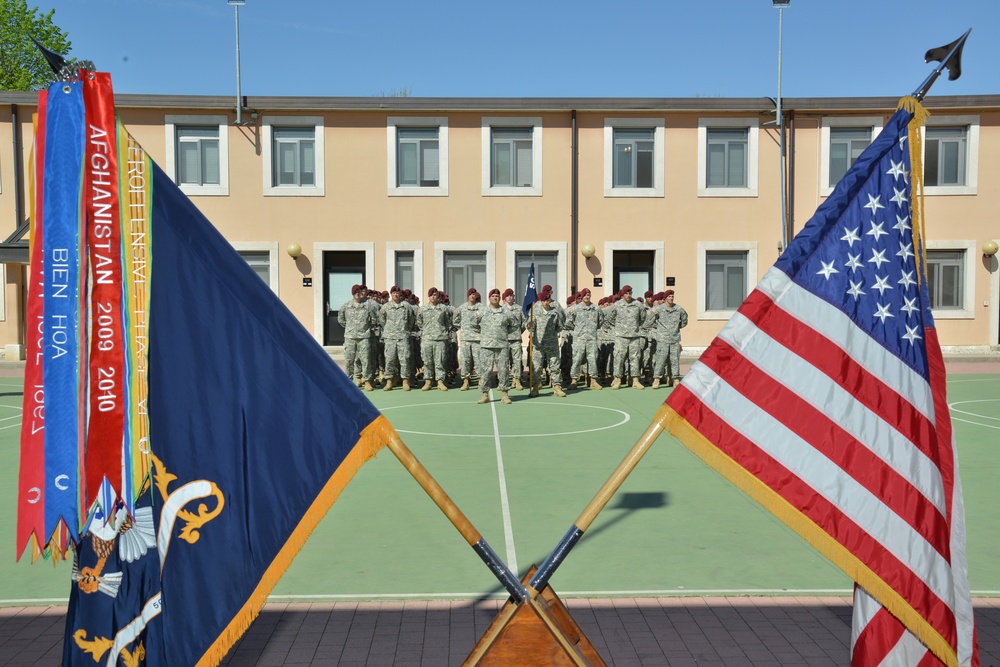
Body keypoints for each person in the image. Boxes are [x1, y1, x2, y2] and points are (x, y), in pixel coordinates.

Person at [476, 288, 516, 404]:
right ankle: (485, 394)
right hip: (486, 346)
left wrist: (503, 334)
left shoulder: (506, 312)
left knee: (503, 370)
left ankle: (505, 394)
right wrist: (485, 335)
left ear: (500, 298)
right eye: (493, 296)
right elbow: (474, 325)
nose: (495, 298)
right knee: (485, 371)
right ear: (489, 298)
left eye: (497, 296)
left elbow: (514, 325)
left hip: (502, 345)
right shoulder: (482, 311)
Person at [338, 284, 378, 391]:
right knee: (349, 360)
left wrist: (366, 328)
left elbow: (374, 319)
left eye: (360, 292)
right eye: (356, 292)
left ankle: (367, 381)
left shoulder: (368, 305)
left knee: (366, 360)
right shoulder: (346, 306)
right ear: (353, 293)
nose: (358, 294)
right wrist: (350, 328)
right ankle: (349, 381)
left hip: (364, 337)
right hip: (350, 337)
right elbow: (341, 320)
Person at [528, 286, 566, 398]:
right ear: (541, 301)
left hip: (552, 343)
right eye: (544, 300)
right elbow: (530, 327)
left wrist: (553, 334)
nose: (546, 302)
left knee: (555, 366)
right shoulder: (535, 311)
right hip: (538, 344)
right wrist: (529, 325)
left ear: (550, 300)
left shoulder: (555, 312)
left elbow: (559, 326)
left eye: (547, 300)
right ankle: (535, 387)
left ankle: (557, 387)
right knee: (537, 367)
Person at [606, 285, 646, 389]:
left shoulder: (638, 305)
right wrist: (619, 328)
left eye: (630, 293)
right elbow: (610, 318)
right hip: (621, 336)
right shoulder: (617, 305)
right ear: (622, 294)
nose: (628, 295)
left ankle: (635, 380)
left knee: (635, 358)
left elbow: (642, 318)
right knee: (619, 358)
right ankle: (617, 380)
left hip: (634, 336)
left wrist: (634, 327)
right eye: (626, 293)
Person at [565, 288, 604, 390]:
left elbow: (600, 322)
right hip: (579, 339)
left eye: (588, 295)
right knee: (577, 360)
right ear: (582, 297)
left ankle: (593, 380)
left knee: (592, 360)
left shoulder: (596, 308)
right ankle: (574, 381)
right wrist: (578, 329)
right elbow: (568, 322)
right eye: (585, 295)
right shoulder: (575, 309)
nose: (587, 297)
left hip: (591, 339)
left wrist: (591, 330)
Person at [380, 285, 416, 391]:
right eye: (394, 293)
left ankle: (405, 381)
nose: (396, 295)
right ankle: (390, 381)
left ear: (400, 294)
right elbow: (382, 321)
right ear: (391, 294)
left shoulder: (406, 306)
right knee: (390, 360)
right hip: (390, 338)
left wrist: (405, 330)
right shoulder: (385, 307)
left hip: (403, 337)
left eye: (397, 293)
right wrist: (389, 330)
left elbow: (411, 320)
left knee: (404, 359)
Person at [649, 289, 688, 388]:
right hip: (662, 339)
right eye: (669, 297)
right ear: (665, 298)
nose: (671, 298)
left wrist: (676, 328)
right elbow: (650, 320)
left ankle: (675, 379)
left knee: (674, 360)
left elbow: (684, 320)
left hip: (674, 339)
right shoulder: (659, 309)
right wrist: (659, 329)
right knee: (661, 360)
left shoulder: (678, 309)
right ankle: (656, 379)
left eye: (672, 296)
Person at [416, 287, 453, 391]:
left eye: (435, 295)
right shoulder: (422, 309)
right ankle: (428, 381)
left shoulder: (443, 308)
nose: (433, 296)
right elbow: (419, 323)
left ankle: (440, 381)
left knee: (440, 361)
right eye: (431, 295)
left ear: (438, 296)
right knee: (427, 361)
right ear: (429, 296)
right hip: (427, 339)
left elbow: (448, 322)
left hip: (440, 339)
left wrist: (442, 331)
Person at [453, 288, 482, 390]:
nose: (472, 296)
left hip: (478, 338)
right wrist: (464, 327)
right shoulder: (462, 308)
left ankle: (480, 380)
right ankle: (465, 381)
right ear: (468, 296)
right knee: (465, 360)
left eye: (474, 294)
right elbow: (455, 321)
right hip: (465, 339)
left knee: (478, 360)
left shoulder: (481, 308)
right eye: (471, 294)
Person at [502, 288, 526, 390]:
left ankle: (517, 380)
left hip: (515, 339)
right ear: (505, 297)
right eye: (508, 296)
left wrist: (519, 331)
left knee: (517, 361)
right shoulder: (501, 309)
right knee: (504, 361)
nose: (510, 297)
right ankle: (505, 381)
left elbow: (524, 322)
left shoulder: (519, 309)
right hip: (504, 339)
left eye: (512, 295)